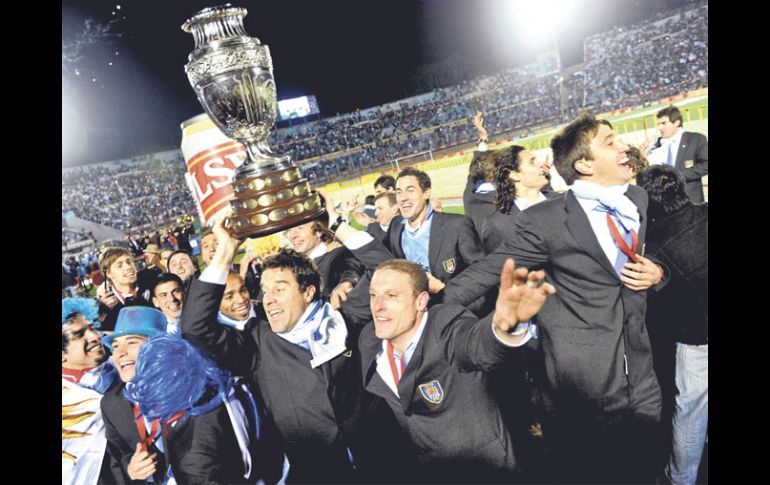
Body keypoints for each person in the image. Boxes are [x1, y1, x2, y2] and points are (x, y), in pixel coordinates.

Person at [440, 111, 669, 482]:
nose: (624, 146)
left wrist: (658, 271)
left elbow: (652, 253)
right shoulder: (547, 219)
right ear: (584, 164)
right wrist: (434, 307)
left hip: (643, 379)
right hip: (585, 390)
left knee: (647, 471)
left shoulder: (638, 198)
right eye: (610, 142)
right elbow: (489, 270)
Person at [181, 215, 403, 483]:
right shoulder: (255, 343)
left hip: (387, 465)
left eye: (280, 289)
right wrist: (226, 251)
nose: (268, 300)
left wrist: (335, 223)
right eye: (264, 290)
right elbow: (195, 328)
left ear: (309, 292)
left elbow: (390, 270)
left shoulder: (342, 315)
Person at [637, 165, 708, 485]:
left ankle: (682, 478)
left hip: (694, 339)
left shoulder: (651, 246)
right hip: (693, 337)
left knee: (690, 417)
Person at [480, 145, 554, 253]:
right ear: (514, 175)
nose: (541, 165)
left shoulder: (564, 201)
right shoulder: (497, 225)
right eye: (532, 162)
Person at [645, 105, 708, 202]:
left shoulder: (696, 139)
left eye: (663, 123)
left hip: (690, 201)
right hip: (664, 203)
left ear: (677, 122)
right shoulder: (656, 145)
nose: (660, 128)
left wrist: (676, 176)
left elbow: (706, 165)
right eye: (658, 124)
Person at [96, 247, 153, 332]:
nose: (128, 267)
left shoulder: (151, 286)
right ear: (108, 273)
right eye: (119, 266)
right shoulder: (105, 309)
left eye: (129, 262)